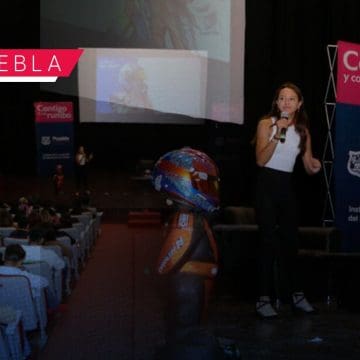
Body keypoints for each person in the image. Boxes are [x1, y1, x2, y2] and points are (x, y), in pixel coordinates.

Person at [253, 82, 322, 319]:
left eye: (291, 99)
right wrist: (277, 132)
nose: (286, 102)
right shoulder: (266, 124)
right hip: (266, 187)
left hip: (286, 188)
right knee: (267, 241)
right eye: (282, 98)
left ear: (299, 104)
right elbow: (261, 161)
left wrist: (315, 167)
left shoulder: (303, 131)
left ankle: (296, 295)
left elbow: (307, 164)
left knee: (291, 242)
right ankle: (263, 298)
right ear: (277, 102)